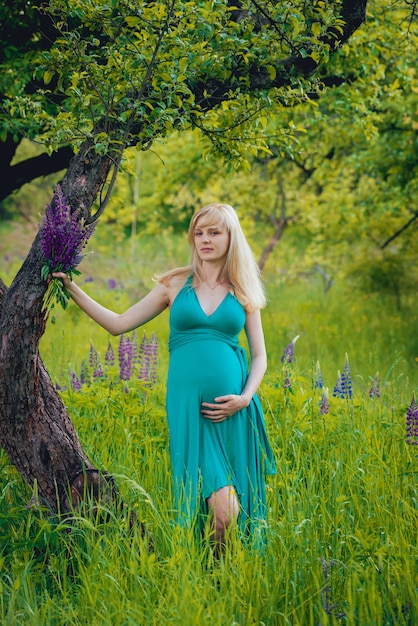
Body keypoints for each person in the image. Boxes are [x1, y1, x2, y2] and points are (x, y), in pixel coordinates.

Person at [54, 203, 275, 552]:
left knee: (231, 509)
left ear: (231, 237)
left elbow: (260, 356)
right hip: (190, 408)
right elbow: (118, 324)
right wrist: (71, 289)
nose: (205, 239)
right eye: (199, 232)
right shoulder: (175, 283)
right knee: (224, 511)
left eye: (214, 232)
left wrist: (245, 398)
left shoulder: (243, 290)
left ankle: (216, 578)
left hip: (232, 411)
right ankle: (212, 573)